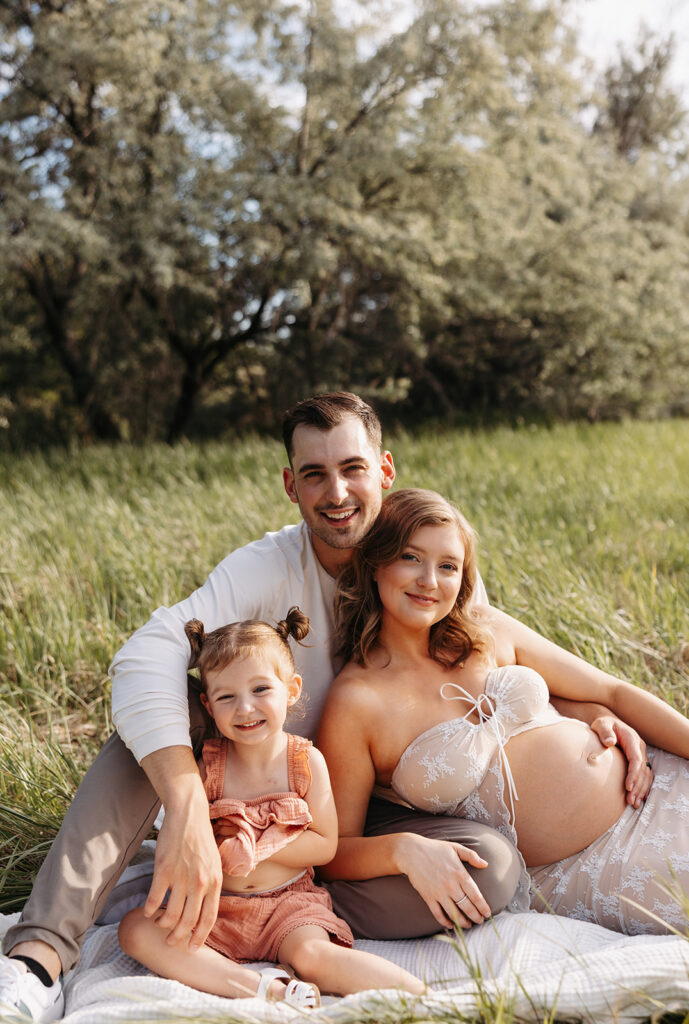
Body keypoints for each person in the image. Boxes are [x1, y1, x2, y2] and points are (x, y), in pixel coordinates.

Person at [3, 392, 541, 1021]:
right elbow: (144, 655)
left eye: (353, 469)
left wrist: (580, 712)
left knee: (491, 871)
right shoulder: (267, 569)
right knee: (167, 706)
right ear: (291, 485)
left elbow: (489, 657)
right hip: (263, 781)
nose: (336, 491)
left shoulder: (428, 555)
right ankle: (39, 957)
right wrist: (184, 806)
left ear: (385, 471)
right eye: (314, 474)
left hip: (382, 804)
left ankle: (302, 923)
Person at [317, 487, 688, 936]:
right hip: (584, 867)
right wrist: (402, 849)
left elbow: (612, 690)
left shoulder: (486, 631)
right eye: (411, 558)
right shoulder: (357, 702)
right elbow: (333, 850)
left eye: (448, 566)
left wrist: (593, 713)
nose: (430, 580)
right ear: (377, 563)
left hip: (650, 783)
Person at [119, 609, 425, 1004]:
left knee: (313, 955)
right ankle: (264, 988)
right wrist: (215, 849)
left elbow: (325, 844)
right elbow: (187, 837)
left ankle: (423, 995)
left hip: (288, 902)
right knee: (136, 930)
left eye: (260, 690)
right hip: (218, 906)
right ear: (209, 706)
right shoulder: (208, 766)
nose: (245, 708)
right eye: (227, 697)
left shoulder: (304, 763)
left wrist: (255, 846)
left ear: (292, 689)